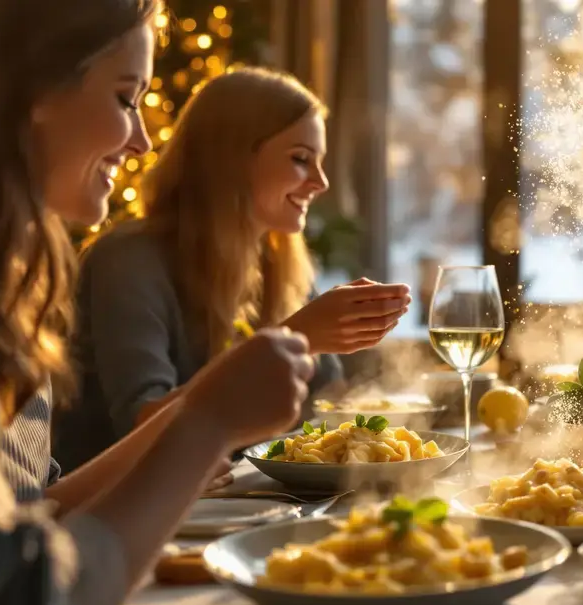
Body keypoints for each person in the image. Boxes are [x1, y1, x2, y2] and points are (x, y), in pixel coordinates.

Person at [0, 0, 316, 605]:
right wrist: (203, 423)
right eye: (126, 97)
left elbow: (40, 510)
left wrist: (212, 418)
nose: (143, 139)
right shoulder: (108, 264)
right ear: (33, 90)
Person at [53, 67, 411, 472]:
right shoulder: (128, 260)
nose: (321, 182)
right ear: (232, 158)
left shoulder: (276, 258)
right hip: (114, 517)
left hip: (234, 500)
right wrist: (298, 336)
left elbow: (327, 403)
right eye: (300, 159)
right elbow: (143, 425)